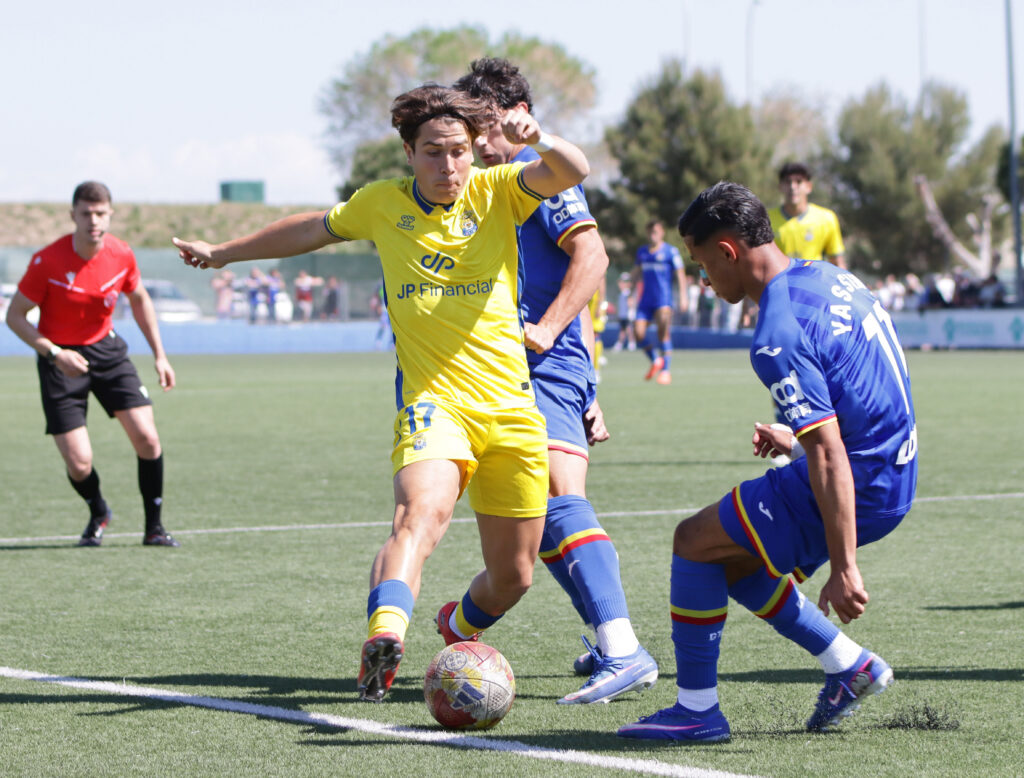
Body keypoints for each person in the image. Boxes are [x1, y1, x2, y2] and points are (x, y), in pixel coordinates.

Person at [173, 84, 591, 703]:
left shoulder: (500, 190)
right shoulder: (380, 205)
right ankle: (385, 637)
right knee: (419, 516)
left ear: (475, 150)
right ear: (407, 153)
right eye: (431, 153)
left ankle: (459, 627)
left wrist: (541, 140)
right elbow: (310, 231)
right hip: (435, 407)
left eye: (457, 151)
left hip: (512, 413)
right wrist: (226, 254)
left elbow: (573, 171)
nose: (447, 166)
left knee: (515, 575)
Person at [618, 181, 917, 742]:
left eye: (703, 263)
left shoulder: (775, 334)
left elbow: (829, 454)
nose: (703, 280)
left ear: (729, 251)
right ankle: (849, 666)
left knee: (693, 542)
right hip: (893, 466)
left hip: (859, 478)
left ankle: (696, 710)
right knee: (734, 563)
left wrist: (843, 562)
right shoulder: (828, 277)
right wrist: (798, 434)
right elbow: (864, 385)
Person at [454, 58, 658, 704]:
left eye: (482, 126)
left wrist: (545, 333)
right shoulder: (490, 187)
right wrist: (592, 384)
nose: (475, 141)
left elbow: (592, 256)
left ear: (512, 118)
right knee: (545, 517)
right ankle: (606, 640)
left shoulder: (536, 177)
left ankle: (623, 648)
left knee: (555, 501)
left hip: (544, 364)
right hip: (529, 369)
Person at [5, 181, 180, 548]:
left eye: (100, 213)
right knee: (79, 463)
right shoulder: (46, 261)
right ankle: (98, 509)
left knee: (148, 438)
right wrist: (53, 353)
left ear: (110, 214)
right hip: (59, 358)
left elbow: (139, 299)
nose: (93, 220)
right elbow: (15, 316)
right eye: (86, 213)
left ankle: (154, 528)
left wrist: (159, 355)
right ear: (73, 216)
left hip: (107, 350)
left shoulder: (122, 254)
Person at [631, 219, 687, 385]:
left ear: (662, 232)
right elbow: (636, 273)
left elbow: (681, 274)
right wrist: (629, 288)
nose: (652, 235)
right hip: (645, 300)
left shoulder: (671, 252)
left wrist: (684, 297)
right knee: (638, 333)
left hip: (663, 300)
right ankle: (656, 360)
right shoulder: (642, 252)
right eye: (650, 232)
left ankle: (665, 371)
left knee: (663, 333)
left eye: (655, 231)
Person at [768, 162, 846, 268]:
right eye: (787, 182)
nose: (792, 187)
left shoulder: (826, 218)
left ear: (809, 186)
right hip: (779, 283)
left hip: (814, 282)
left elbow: (837, 262)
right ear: (780, 187)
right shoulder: (766, 219)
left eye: (798, 182)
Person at [612, 272, 636, 351]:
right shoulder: (622, 294)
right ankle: (622, 343)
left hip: (627, 315)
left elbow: (631, 303)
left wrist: (631, 312)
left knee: (628, 329)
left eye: (624, 282)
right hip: (622, 315)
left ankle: (630, 343)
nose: (621, 284)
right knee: (623, 329)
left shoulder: (628, 293)